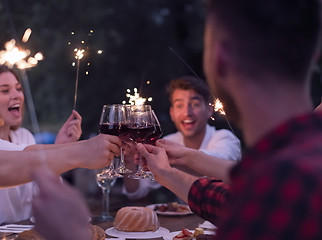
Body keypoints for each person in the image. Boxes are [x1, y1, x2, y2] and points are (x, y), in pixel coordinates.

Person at [134, 0, 322, 239]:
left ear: (221, 58)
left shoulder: (280, 184)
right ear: (312, 56)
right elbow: (239, 197)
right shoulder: (286, 173)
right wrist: (171, 172)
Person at [0, 64, 80, 236]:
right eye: (5, 91)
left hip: (21, 235)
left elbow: (44, 192)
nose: (16, 95)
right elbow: (14, 159)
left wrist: (59, 146)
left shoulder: (24, 136)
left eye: (18, 88)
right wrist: (60, 150)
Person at [123, 76, 241, 199]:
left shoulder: (226, 138)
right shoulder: (169, 142)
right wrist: (129, 162)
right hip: (184, 217)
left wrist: (174, 160)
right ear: (172, 113)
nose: (187, 112)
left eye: (195, 104)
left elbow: (219, 165)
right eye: (179, 105)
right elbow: (136, 192)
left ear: (209, 110)